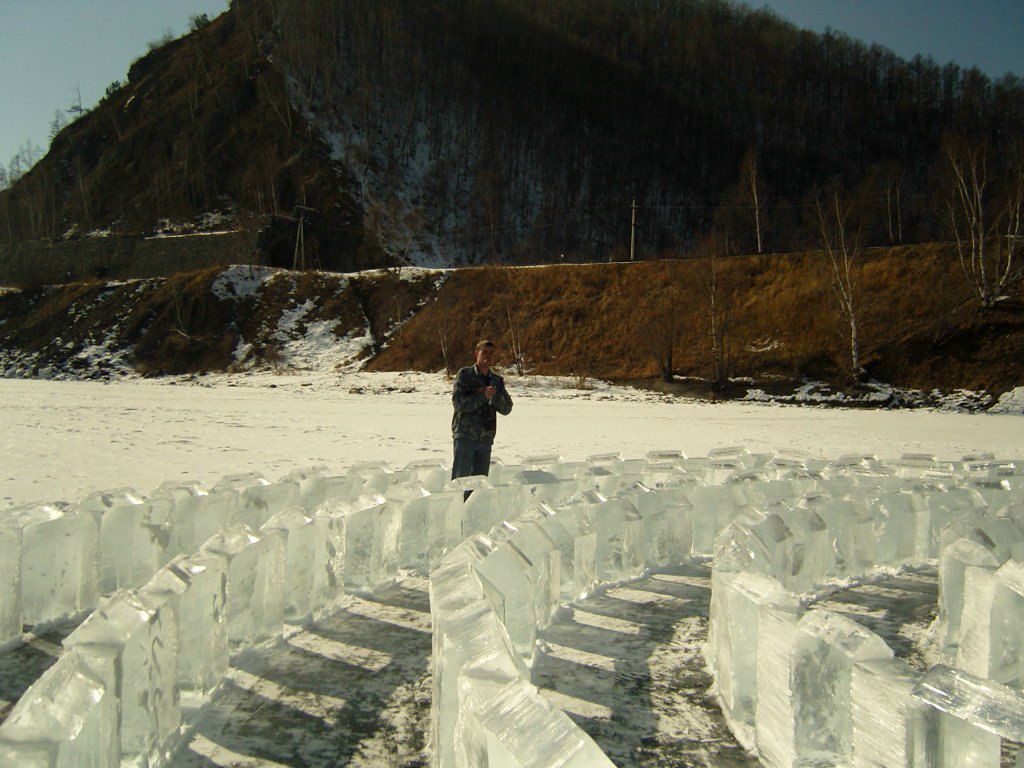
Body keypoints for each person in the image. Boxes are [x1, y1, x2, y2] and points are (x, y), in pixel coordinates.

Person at [451, 339, 513, 481]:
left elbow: (507, 408)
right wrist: (482, 396)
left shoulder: (496, 380)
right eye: (484, 352)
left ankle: (476, 504)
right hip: (466, 436)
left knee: (479, 485)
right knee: (461, 482)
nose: (488, 356)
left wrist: (495, 396)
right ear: (476, 354)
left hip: (485, 438)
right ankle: (457, 504)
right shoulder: (465, 375)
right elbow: (459, 403)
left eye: (491, 353)